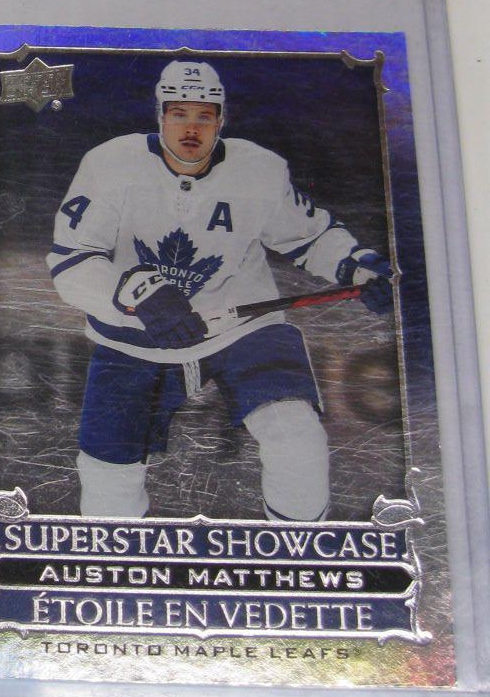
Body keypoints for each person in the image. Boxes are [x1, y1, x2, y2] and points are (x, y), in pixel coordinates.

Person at [46, 60, 394, 521]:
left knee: (298, 440)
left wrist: (356, 266)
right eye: (179, 114)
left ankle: (302, 549)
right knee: (107, 481)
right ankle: (120, 558)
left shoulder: (260, 170)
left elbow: (310, 236)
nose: (191, 129)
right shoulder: (109, 165)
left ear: (221, 120)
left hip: (244, 328)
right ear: (160, 115)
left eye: (204, 117)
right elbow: (71, 260)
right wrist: (138, 291)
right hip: (135, 338)